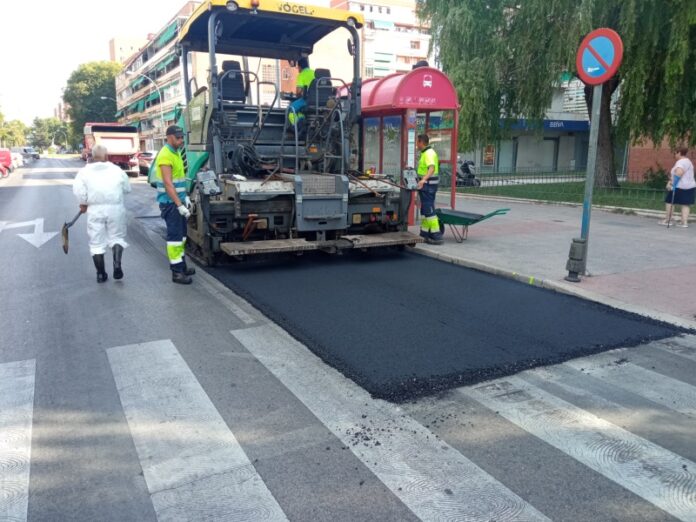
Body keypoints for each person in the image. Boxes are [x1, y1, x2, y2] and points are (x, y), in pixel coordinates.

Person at [72, 144, 131, 283]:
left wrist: (83, 203)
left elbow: (79, 190)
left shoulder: (84, 172)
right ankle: (117, 264)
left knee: (96, 242)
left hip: (95, 210)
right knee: (116, 237)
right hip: (115, 208)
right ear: (106, 156)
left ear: (92, 156)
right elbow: (127, 188)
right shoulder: (117, 170)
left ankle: (100, 274)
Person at [153, 125, 196, 284]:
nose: (181, 140)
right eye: (178, 138)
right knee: (175, 239)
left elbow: (179, 182)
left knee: (182, 237)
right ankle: (177, 273)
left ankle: (182, 266)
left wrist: (185, 198)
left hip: (177, 201)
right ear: (169, 137)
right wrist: (179, 204)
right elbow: (168, 184)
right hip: (170, 204)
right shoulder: (165, 155)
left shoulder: (175, 152)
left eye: (182, 137)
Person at [416, 134, 444, 244]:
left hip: (428, 186)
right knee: (424, 210)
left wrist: (423, 180)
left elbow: (431, 169)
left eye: (417, 142)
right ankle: (424, 233)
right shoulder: (426, 153)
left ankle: (436, 235)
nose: (417, 145)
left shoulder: (428, 153)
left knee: (428, 209)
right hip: (427, 185)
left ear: (421, 142)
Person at [660, 146, 695, 227]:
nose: (674, 155)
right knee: (685, 204)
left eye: (675, 153)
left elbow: (679, 173)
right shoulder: (688, 161)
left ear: (679, 153)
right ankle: (684, 222)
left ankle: (668, 220)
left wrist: (671, 183)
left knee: (669, 201)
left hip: (679, 186)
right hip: (689, 186)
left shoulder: (681, 162)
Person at [287, 57, 315, 130]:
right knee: (299, 112)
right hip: (317, 101)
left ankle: (298, 128)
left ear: (300, 67)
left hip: (307, 100)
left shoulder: (301, 75)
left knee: (291, 109)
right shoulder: (314, 72)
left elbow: (298, 92)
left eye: (297, 67)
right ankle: (302, 123)